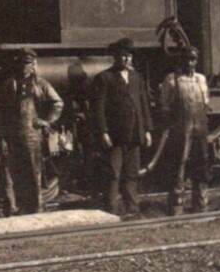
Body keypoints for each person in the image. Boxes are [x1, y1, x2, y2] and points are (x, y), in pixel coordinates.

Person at [89, 38, 154, 216]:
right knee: (113, 173)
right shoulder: (104, 78)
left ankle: (132, 209)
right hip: (115, 135)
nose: (127, 60)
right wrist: (103, 132)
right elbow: (98, 108)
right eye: (123, 56)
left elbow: (144, 104)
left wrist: (147, 130)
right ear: (116, 57)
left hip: (135, 133)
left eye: (129, 56)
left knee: (132, 173)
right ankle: (111, 209)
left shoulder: (136, 77)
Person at [0, 48, 64, 216]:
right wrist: (1, 135)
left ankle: (36, 206)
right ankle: (12, 207)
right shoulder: (9, 84)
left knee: (34, 170)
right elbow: (2, 111)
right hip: (12, 132)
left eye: (27, 63)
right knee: (11, 171)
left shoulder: (40, 84)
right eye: (21, 63)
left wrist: (47, 121)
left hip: (32, 132)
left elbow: (57, 103)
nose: (23, 67)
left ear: (33, 64)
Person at [158, 45, 212, 214]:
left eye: (193, 59)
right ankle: (176, 205)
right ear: (181, 60)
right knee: (178, 165)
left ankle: (200, 204)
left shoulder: (201, 79)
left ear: (197, 61)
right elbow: (164, 106)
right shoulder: (172, 80)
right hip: (181, 128)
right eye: (187, 59)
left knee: (201, 164)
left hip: (200, 128)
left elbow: (206, 104)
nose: (190, 62)